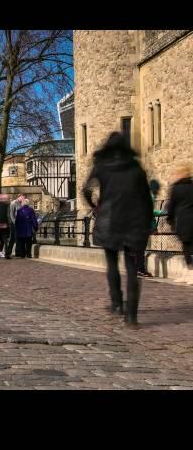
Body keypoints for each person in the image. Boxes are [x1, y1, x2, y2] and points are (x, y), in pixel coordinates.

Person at [83, 132, 153, 328]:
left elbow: (86, 190)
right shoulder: (136, 168)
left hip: (110, 221)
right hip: (133, 223)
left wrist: (95, 206)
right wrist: (148, 223)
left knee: (112, 264)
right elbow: (146, 199)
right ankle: (131, 316)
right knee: (132, 270)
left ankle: (116, 303)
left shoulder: (102, 167)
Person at [166, 164, 193, 285]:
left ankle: (190, 272)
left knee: (186, 247)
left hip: (183, 221)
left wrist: (170, 220)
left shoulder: (176, 189)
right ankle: (187, 272)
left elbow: (171, 206)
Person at [137, 179, 164, 278]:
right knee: (140, 249)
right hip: (142, 226)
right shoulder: (150, 197)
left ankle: (137, 269)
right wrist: (154, 227)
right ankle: (140, 269)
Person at [6, 193, 26, 258]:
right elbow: (11, 214)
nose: (24, 199)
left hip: (20, 223)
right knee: (13, 238)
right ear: (20, 196)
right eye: (24, 197)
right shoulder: (13, 203)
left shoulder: (22, 204)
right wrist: (14, 222)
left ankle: (18, 252)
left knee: (18, 238)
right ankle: (8, 252)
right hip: (14, 223)